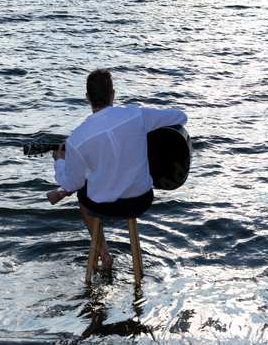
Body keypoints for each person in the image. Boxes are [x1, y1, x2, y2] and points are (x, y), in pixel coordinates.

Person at [47, 68, 187, 269]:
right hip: (141, 200)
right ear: (113, 94)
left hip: (102, 205)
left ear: (87, 98)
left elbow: (72, 182)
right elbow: (180, 116)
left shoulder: (78, 137)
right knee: (93, 171)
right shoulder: (136, 115)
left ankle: (105, 254)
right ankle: (112, 258)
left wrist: (60, 161)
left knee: (83, 191)